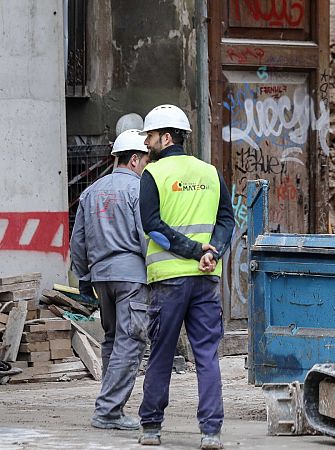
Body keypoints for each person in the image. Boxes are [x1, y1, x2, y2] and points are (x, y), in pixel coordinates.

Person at [135, 105, 234, 449]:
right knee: (206, 354)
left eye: (149, 136)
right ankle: (211, 431)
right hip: (206, 280)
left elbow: (153, 227)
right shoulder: (210, 172)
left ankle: (151, 427)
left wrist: (194, 251)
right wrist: (213, 251)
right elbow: (227, 221)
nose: (146, 143)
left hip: (168, 281)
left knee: (161, 352)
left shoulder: (153, 174)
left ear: (166, 137)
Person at [69, 129, 151, 431]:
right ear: (133, 159)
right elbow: (145, 236)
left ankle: (111, 407)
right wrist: (155, 273)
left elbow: (77, 242)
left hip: (101, 277)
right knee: (130, 343)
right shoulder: (139, 190)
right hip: (132, 278)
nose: (145, 165)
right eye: (144, 159)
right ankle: (107, 410)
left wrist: (84, 276)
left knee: (113, 340)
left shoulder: (91, 192)